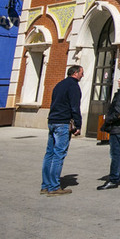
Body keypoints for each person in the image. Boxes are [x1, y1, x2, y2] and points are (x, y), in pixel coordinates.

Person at [41, 65, 84, 196]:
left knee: (49, 154)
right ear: (76, 73)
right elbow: (75, 107)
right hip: (62, 123)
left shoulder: (59, 85)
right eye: (82, 73)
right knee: (59, 154)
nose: (83, 75)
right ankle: (54, 187)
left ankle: (45, 185)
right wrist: (78, 124)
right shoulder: (73, 86)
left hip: (52, 121)